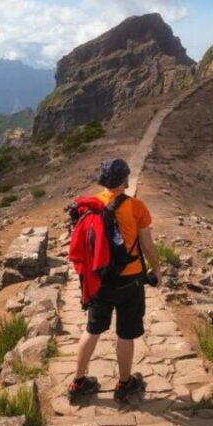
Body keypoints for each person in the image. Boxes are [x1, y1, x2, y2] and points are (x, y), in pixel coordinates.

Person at [67, 158, 162, 402]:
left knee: (92, 329)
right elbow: (148, 247)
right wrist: (157, 271)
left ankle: (78, 382)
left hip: (100, 279)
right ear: (125, 179)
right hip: (130, 280)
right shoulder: (136, 207)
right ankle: (125, 383)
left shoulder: (92, 205)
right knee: (126, 334)